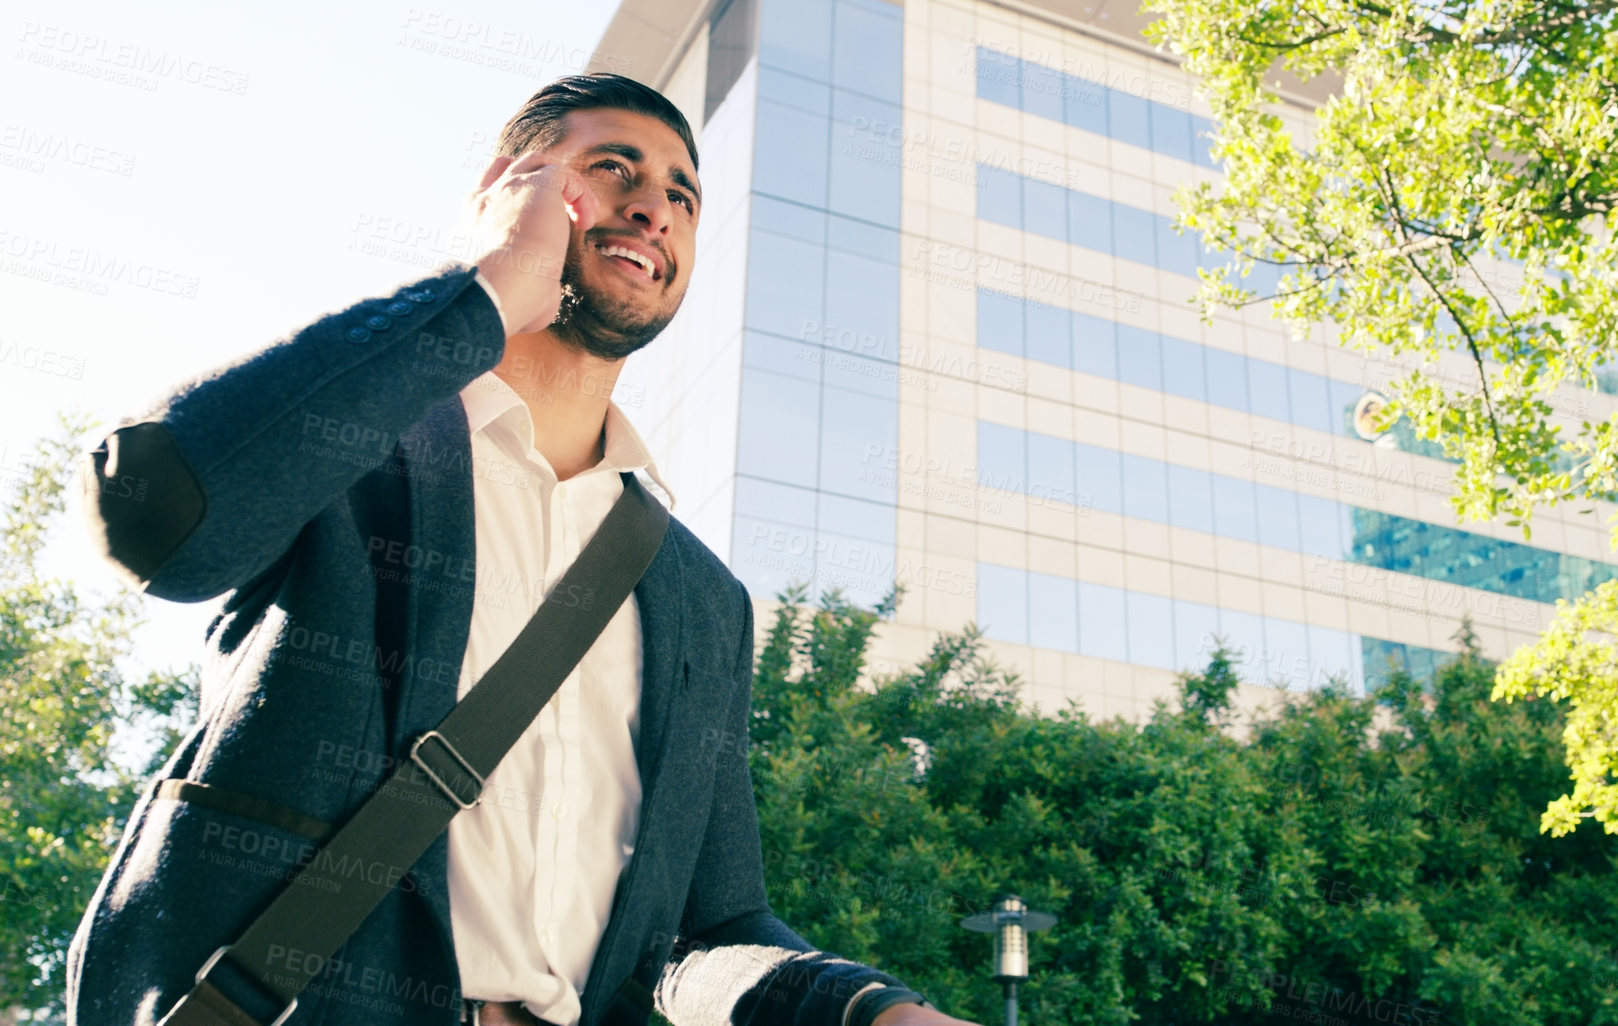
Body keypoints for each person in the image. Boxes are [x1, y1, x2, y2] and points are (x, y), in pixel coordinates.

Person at [65, 73, 978, 1026]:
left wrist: (869, 1010)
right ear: (512, 188)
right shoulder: (349, 448)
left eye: (682, 195)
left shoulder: (702, 597)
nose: (653, 207)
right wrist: (490, 284)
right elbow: (155, 519)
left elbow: (708, 929)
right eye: (611, 168)